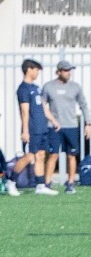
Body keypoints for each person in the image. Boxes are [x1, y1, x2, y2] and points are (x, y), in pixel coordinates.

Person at [42, 61, 90, 193]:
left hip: (71, 126)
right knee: (53, 155)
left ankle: (70, 184)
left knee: (71, 155)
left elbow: (83, 105)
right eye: (66, 70)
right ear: (58, 72)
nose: (68, 73)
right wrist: (51, 120)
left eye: (70, 70)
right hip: (54, 127)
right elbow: (42, 105)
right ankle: (47, 184)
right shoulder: (48, 87)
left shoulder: (75, 87)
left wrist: (88, 124)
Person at [16, 59, 54, 195]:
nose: (37, 72)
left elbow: (44, 107)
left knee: (41, 155)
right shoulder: (23, 89)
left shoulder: (36, 88)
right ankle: (11, 180)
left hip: (41, 127)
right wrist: (25, 131)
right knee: (29, 156)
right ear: (28, 70)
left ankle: (40, 185)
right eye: (36, 70)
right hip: (32, 129)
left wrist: (53, 121)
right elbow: (24, 111)